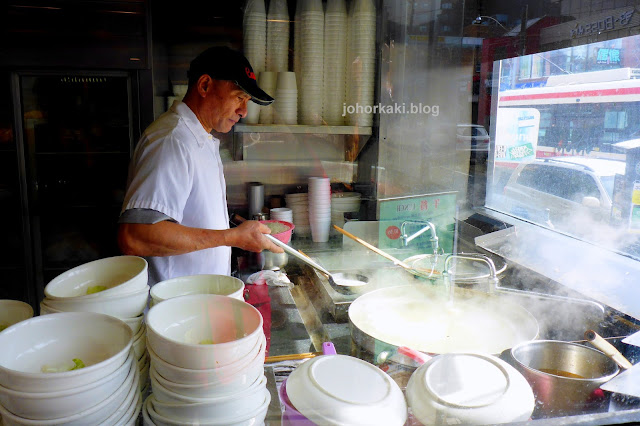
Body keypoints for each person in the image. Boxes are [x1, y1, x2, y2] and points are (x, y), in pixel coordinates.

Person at [117, 46, 282, 285]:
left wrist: (235, 232)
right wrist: (232, 237)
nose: (244, 111)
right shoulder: (172, 141)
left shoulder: (198, 137)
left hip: (197, 304)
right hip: (175, 311)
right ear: (205, 85)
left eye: (246, 101)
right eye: (238, 97)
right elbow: (135, 237)